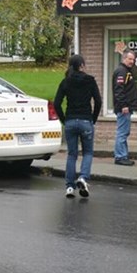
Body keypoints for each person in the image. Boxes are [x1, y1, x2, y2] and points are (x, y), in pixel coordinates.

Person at [54, 55, 102, 198]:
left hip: (70, 122)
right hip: (86, 121)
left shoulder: (65, 82)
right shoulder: (90, 80)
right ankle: (83, 177)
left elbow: (56, 103)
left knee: (72, 154)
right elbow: (98, 101)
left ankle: (69, 186)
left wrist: (64, 120)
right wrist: (92, 119)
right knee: (87, 152)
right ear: (82, 65)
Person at [112, 49, 137, 166]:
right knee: (122, 132)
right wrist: (123, 105)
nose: (132, 61)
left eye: (133, 59)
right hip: (123, 108)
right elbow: (119, 90)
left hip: (126, 107)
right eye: (130, 59)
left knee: (124, 132)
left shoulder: (126, 71)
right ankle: (120, 157)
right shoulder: (122, 72)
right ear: (124, 58)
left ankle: (123, 155)